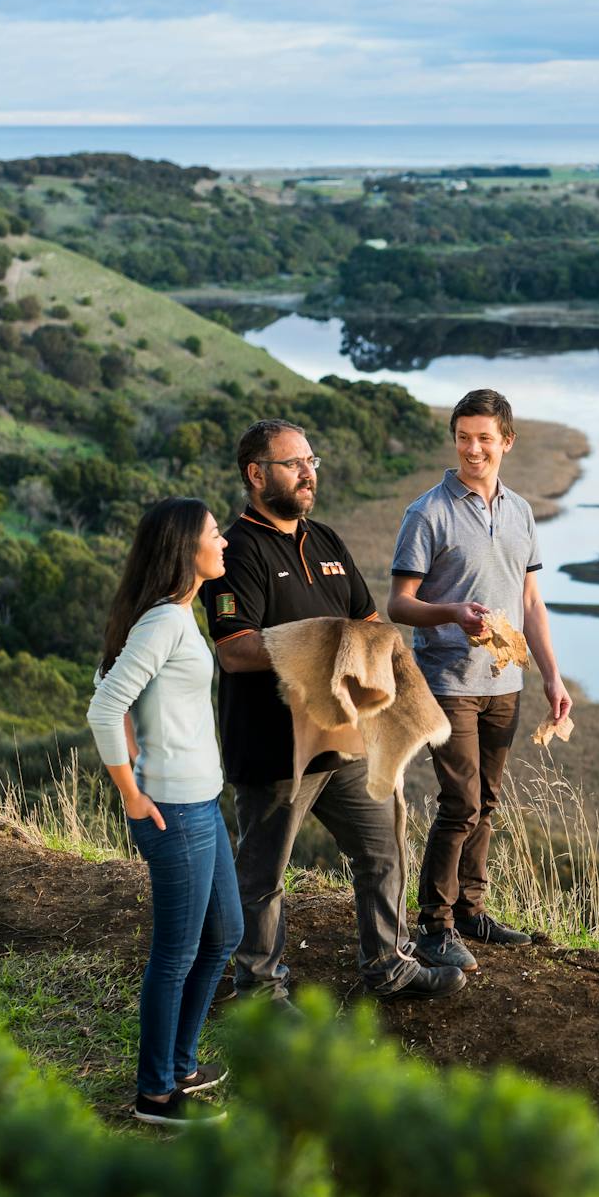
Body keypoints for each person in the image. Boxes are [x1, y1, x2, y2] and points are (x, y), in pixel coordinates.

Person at [201, 419, 463, 1004]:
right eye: (294, 463)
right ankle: (260, 991)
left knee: (382, 849)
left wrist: (370, 653)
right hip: (274, 751)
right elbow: (236, 651)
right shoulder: (235, 551)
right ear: (256, 473)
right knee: (263, 877)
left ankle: (388, 965)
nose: (308, 473)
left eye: (311, 461)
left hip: (343, 739)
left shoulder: (325, 540)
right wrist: (327, 639)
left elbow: (370, 626)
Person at [389, 389, 571, 972]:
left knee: (486, 801)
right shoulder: (427, 513)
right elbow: (398, 603)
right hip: (446, 681)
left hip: (506, 684)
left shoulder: (520, 511)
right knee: (460, 801)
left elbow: (532, 602)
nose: (473, 449)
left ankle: (470, 910)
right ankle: (434, 926)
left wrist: (552, 677)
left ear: (507, 442)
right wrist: (451, 613)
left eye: (484, 438)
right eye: (464, 437)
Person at [87, 497, 241, 1128]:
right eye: (214, 535)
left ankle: (179, 1064)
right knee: (175, 954)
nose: (224, 543)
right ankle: (155, 1094)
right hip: (173, 809)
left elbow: (106, 684)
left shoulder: (175, 616)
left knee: (224, 933)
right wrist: (132, 791)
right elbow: (103, 707)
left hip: (200, 801)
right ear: (186, 549)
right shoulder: (165, 624)